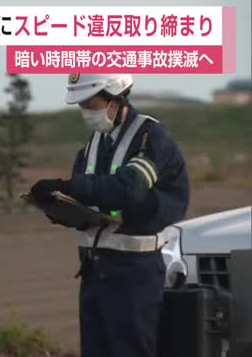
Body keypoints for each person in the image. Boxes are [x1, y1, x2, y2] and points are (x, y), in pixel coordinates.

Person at [29, 74, 189, 357]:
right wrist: (59, 208)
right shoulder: (95, 144)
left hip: (134, 275)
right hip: (95, 271)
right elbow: (89, 199)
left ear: (116, 97)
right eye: (82, 106)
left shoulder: (151, 138)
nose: (87, 113)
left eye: (91, 104)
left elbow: (126, 189)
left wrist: (67, 186)